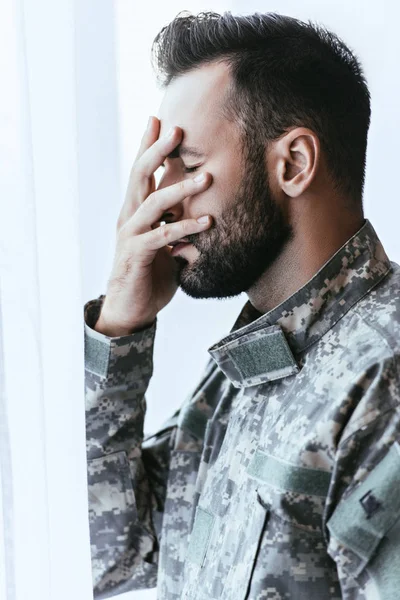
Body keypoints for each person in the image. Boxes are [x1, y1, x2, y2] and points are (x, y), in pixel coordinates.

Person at [84, 10, 400, 600]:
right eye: (160, 172)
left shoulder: (384, 374)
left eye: (192, 166)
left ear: (293, 165)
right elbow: (109, 555)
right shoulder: (240, 376)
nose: (163, 203)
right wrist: (120, 328)